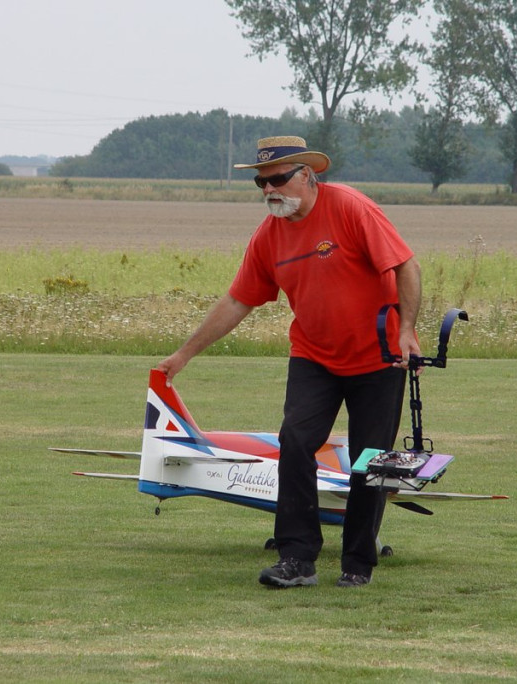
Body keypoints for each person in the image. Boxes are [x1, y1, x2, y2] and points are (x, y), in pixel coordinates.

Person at [157, 136, 421, 588]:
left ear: (307, 175)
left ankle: (358, 564)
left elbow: (406, 266)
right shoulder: (268, 236)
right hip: (314, 356)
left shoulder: (351, 208)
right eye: (261, 183)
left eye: (278, 179)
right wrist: (184, 353)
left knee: (370, 460)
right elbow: (239, 300)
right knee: (295, 444)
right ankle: (296, 559)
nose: (268, 190)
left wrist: (406, 330)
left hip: (379, 358)